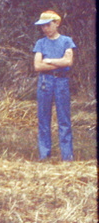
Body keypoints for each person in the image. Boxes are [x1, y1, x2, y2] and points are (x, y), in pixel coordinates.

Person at [32, 10, 76, 161]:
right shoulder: (40, 43)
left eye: (48, 25)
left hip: (61, 82)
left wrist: (49, 61)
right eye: (42, 26)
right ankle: (44, 155)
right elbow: (37, 66)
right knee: (44, 118)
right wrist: (59, 62)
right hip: (45, 82)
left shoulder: (66, 41)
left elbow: (68, 61)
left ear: (57, 23)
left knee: (64, 119)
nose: (45, 29)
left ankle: (67, 157)